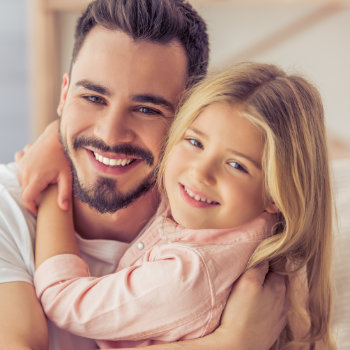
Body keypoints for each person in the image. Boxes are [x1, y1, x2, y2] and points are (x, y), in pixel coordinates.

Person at [0, 0, 287, 349]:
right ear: (65, 94)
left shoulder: (232, 222)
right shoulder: (7, 211)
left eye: (146, 109)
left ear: (189, 116)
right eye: (92, 97)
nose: (109, 134)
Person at [32, 62, 335, 349]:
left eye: (236, 165)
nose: (200, 172)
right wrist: (54, 135)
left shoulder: (189, 275)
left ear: (276, 195)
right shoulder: (246, 218)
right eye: (195, 142)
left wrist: (54, 185)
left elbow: (63, 300)